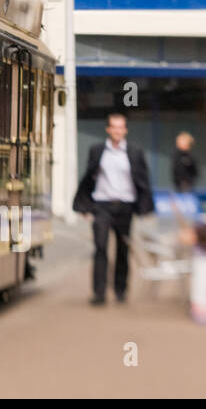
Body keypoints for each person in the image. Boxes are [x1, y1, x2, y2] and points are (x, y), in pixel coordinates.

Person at [72, 113, 155, 305]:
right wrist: (84, 206)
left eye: (121, 127)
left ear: (125, 130)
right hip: (102, 206)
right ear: (108, 129)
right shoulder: (97, 150)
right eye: (114, 127)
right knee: (100, 248)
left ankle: (120, 290)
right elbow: (88, 178)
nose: (117, 131)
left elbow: (143, 180)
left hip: (125, 207)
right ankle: (99, 293)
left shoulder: (135, 152)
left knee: (122, 250)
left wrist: (144, 208)